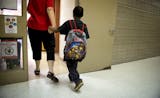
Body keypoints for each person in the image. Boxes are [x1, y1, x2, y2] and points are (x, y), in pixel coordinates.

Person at [48, 6, 90, 91]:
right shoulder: (84, 26)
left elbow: (58, 30)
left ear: (73, 14)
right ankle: (71, 77)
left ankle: (77, 80)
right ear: (82, 15)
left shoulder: (69, 23)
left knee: (70, 65)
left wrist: (50, 28)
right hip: (80, 51)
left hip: (70, 50)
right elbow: (87, 37)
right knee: (74, 63)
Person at [27, 0, 58, 83]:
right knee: (50, 48)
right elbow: (49, 9)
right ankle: (51, 71)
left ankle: (37, 69)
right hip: (47, 28)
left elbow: (28, 9)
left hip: (33, 26)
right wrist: (54, 26)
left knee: (36, 47)